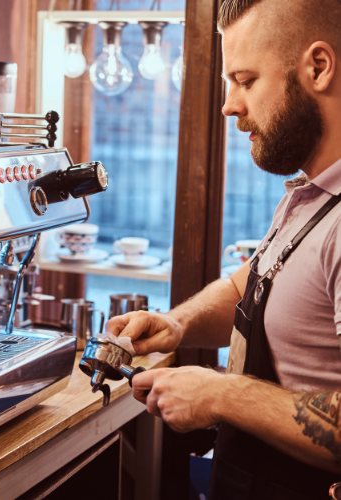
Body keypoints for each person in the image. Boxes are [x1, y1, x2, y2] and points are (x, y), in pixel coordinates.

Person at [106, 0, 341, 498]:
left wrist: (223, 394)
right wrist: (178, 324)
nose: (229, 105)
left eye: (246, 79)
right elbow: (256, 284)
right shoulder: (310, 196)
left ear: (318, 68)